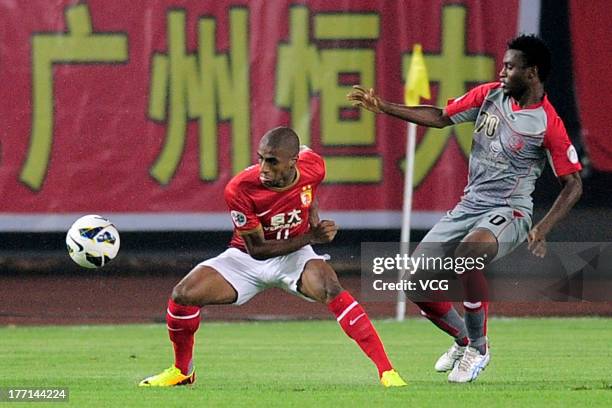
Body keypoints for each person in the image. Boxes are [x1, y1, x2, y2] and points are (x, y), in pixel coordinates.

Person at [347, 34, 582, 383]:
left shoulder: (548, 123)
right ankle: (463, 339)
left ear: (531, 73)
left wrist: (543, 227)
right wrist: (384, 106)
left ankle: (479, 348)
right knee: (415, 284)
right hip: (469, 205)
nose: (502, 71)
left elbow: (574, 183)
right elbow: (442, 117)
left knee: (469, 254)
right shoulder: (489, 95)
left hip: (510, 211)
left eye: (510, 66)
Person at [139, 126, 407, 388]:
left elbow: (309, 191)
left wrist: (313, 219)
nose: (264, 168)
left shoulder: (313, 167)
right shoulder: (240, 188)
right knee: (182, 294)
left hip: (295, 256)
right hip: (245, 258)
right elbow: (258, 249)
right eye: (260, 159)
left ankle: (387, 372)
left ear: (293, 162)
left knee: (331, 287)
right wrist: (312, 236)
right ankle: (182, 371)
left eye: (272, 161)